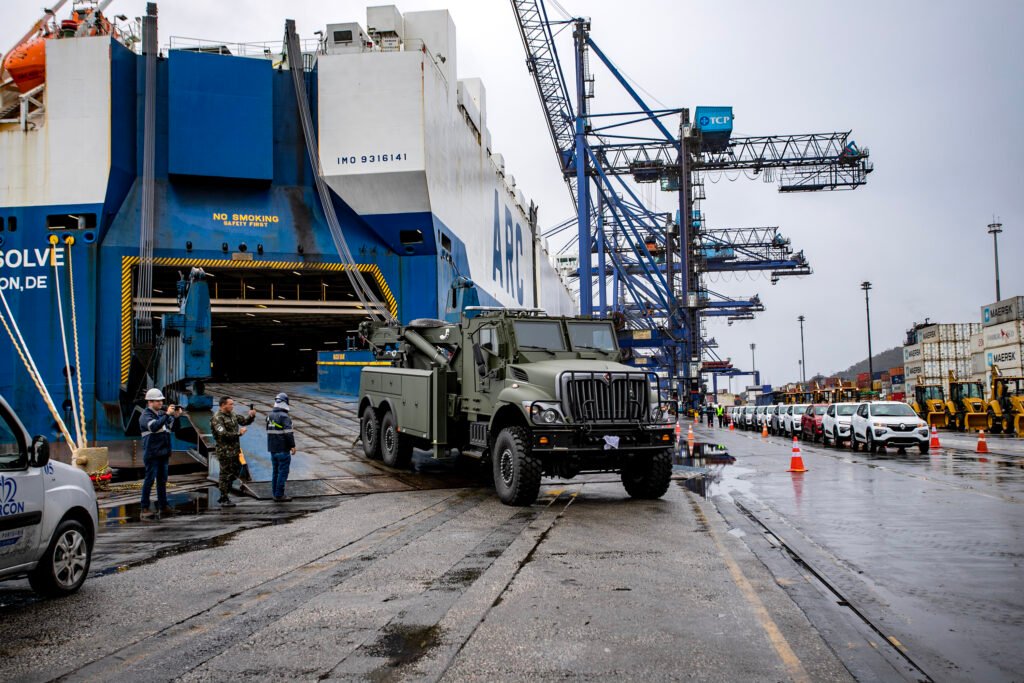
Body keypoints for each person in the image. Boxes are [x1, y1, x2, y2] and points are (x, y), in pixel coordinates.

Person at [139, 388, 182, 518]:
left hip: (163, 453)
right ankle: (144, 508)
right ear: (150, 402)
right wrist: (168, 415)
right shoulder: (145, 416)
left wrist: (176, 417)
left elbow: (174, 428)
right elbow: (154, 427)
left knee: (162, 481)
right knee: (149, 480)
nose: (161, 403)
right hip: (152, 454)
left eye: (161, 401)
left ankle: (163, 507)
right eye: (158, 401)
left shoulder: (160, 414)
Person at [211, 396, 256, 507]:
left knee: (235, 472)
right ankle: (224, 497)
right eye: (230, 404)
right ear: (223, 405)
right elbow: (223, 434)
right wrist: (238, 434)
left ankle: (226, 492)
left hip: (234, 450)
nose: (232, 406)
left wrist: (251, 416)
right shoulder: (217, 418)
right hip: (224, 451)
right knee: (225, 474)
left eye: (232, 404)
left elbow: (244, 421)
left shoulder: (233, 415)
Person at [266, 392, 296, 502]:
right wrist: (292, 446)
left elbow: (268, 431)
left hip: (272, 449)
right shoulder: (285, 417)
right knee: (283, 472)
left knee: (275, 472)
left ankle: (275, 493)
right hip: (283, 449)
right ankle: (279, 495)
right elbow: (288, 433)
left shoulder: (269, 416)